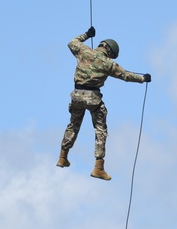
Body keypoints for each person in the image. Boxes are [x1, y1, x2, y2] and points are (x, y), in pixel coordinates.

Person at [58, 26, 151, 180]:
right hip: (93, 98)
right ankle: (98, 167)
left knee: (73, 125)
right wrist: (143, 79)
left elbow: (71, 42)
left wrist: (87, 35)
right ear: (111, 53)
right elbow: (126, 76)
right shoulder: (108, 64)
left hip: (76, 96)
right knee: (100, 130)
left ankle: (62, 157)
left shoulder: (83, 50)